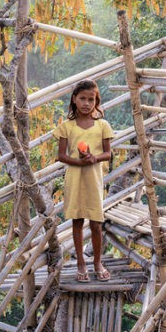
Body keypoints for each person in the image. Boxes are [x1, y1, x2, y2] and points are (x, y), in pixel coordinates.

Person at [55, 79, 113, 282]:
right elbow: (61, 156)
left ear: (96, 101)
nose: (86, 103)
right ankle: (81, 262)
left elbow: (108, 154)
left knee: (96, 223)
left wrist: (94, 158)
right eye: (82, 99)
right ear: (74, 99)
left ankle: (97, 262)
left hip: (94, 178)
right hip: (75, 177)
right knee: (78, 221)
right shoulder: (66, 127)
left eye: (91, 99)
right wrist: (79, 162)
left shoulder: (102, 125)